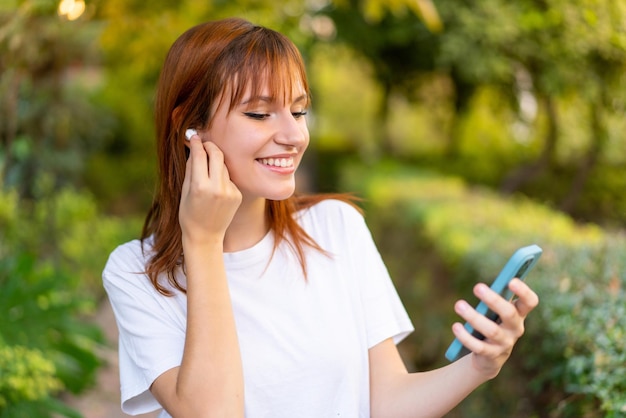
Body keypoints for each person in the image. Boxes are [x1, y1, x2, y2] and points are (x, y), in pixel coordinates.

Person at [103, 17, 539, 418]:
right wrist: (201, 242)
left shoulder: (336, 227)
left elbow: (386, 402)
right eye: (258, 113)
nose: (294, 135)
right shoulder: (136, 274)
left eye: (298, 110)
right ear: (190, 128)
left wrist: (482, 365)